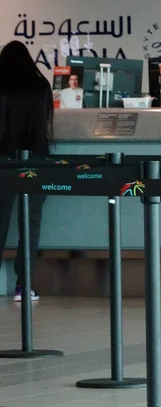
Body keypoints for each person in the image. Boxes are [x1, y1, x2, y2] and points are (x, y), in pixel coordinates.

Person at [0, 40, 55, 302]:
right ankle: (24, 285)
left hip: (3, 162)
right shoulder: (41, 85)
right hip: (37, 161)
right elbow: (45, 124)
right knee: (30, 223)